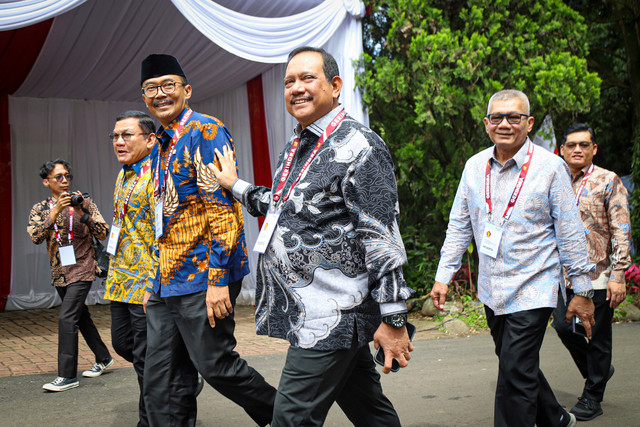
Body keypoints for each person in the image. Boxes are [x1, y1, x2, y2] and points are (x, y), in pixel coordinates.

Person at [210, 46, 414, 426]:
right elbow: (283, 205)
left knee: (290, 419)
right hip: (318, 307)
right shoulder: (299, 144)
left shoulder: (360, 145)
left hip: (332, 314)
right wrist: (234, 185)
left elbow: (382, 237)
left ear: (335, 86)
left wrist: (394, 319)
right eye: (289, 81)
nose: (296, 88)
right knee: (371, 414)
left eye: (307, 78)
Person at [431, 89, 596, 427]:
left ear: (529, 122)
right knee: (513, 363)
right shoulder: (474, 167)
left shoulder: (551, 168)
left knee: (515, 374)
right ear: (487, 124)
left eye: (514, 117)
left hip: (535, 285)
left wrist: (582, 291)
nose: (504, 124)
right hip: (493, 288)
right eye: (497, 117)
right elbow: (460, 225)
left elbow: (569, 231)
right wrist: (443, 276)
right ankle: (554, 418)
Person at [139, 54, 276, 427]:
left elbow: (223, 211)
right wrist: (156, 281)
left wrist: (217, 280)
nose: (160, 94)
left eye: (169, 85)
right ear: (144, 97)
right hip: (169, 281)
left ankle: (290, 419)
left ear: (187, 90)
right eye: (151, 88)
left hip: (204, 276)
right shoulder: (160, 145)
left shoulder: (206, 131)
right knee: (162, 377)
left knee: (217, 367)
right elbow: (163, 220)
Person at [552, 123, 631, 421]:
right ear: (562, 149)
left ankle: (593, 396)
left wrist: (618, 274)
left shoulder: (608, 180)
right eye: (572, 145)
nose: (578, 150)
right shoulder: (555, 180)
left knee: (596, 335)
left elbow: (621, 228)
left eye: (584, 145)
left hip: (598, 272)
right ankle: (599, 370)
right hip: (563, 276)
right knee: (562, 326)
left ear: (594, 149)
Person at [27, 158, 113, 392]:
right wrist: (54, 213)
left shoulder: (83, 201)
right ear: (46, 182)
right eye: (58, 177)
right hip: (59, 271)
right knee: (80, 316)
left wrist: (83, 213)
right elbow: (35, 236)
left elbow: (103, 232)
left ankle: (67, 376)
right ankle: (104, 357)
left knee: (67, 318)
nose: (65, 180)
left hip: (84, 267)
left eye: (67, 176)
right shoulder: (41, 209)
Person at [104, 111, 157, 425]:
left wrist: (154, 283)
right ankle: (177, 376)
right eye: (115, 136)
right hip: (120, 279)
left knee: (145, 355)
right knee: (123, 343)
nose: (119, 141)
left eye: (127, 135)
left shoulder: (157, 176)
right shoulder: (123, 174)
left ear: (150, 140)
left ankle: (148, 418)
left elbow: (163, 234)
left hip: (145, 282)